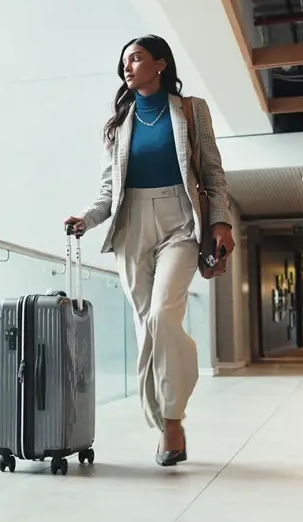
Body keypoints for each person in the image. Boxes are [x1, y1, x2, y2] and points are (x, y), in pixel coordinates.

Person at [64, 35, 234, 467]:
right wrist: (86, 218)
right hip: (131, 223)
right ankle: (164, 424)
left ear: (160, 63)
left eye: (136, 58)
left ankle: (172, 420)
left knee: (162, 314)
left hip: (180, 217)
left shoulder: (191, 110)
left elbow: (212, 172)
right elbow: (109, 189)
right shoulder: (118, 123)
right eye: (124, 61)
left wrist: (220, 222)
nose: (128, 66)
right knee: (146, 326)